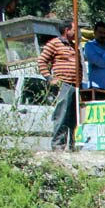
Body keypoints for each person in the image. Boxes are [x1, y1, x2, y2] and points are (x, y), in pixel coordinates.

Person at [38, 21, 80, 151]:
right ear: (66, 30)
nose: (76, 33)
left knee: (74, 118)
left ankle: (74, 147)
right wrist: (50, 78)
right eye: (74, 30)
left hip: (75, 86)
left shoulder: (74, 46)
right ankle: (58, 147)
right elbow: (41, 61)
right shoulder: (54, 43)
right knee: (61, 116)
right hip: (64, 84)